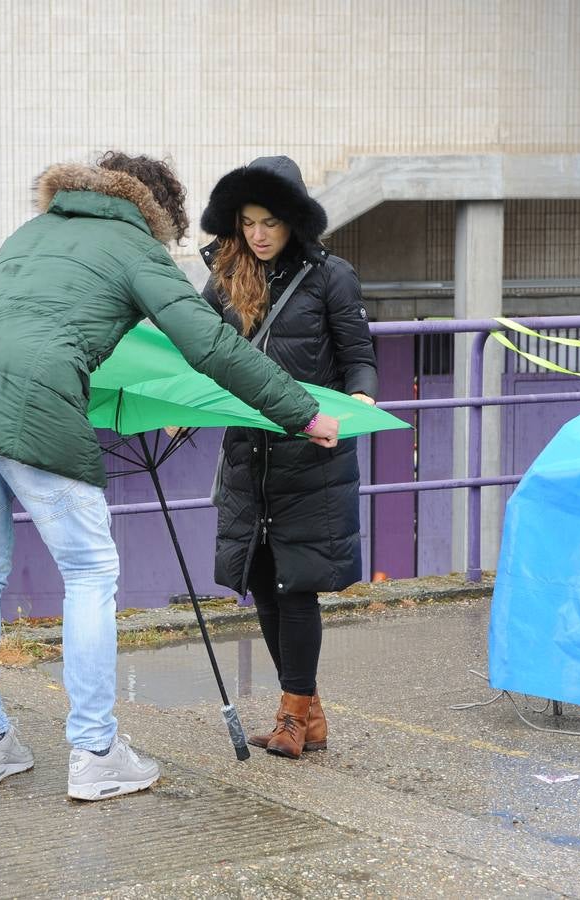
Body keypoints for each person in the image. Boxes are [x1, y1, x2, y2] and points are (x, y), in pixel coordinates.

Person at [0, 151, 340, 801]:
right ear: (158, 213)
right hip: (34, 406)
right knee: (88, 573)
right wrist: (301, 411)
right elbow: (210, 344)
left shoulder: (31, 233)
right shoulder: (136, 248)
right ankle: (95, 751)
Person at [198, 156, 377, 760]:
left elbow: (358, 355)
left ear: (294, 221)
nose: (259, 234)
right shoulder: (225, 280)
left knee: (295, 587)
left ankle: (292, 715)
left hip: (311, 453)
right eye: (247, 222)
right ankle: (306, 710)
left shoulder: (333, 277)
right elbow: (196, 346)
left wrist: (357, 398)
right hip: (249, 456)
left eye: (271, 221)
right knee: (262, 583)